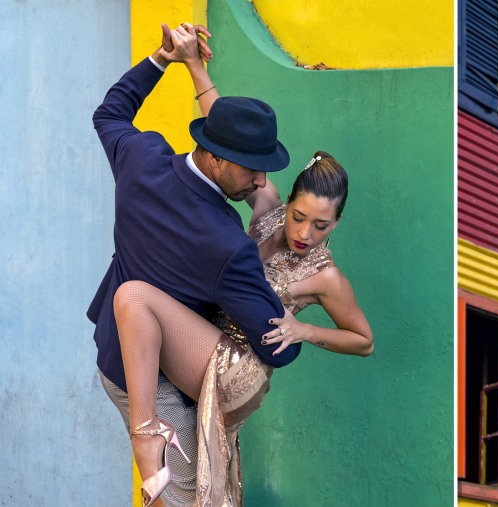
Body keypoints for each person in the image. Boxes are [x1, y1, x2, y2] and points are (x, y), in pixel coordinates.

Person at [109, 26, 373, 507]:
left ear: (336, 225)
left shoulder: (326, 276)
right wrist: (192, 64)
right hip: (202, 346)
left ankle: (146, 434)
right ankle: (152, 439)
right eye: (298, 217)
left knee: (133, 297)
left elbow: (363, 340)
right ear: (281, 198)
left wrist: (303, 332)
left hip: (245, 366)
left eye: (321, 226)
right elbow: (228, 136)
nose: (303, 234)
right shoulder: (262, 201)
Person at [91, 22, 298, 507]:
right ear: (218, 159)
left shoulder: (141, 158)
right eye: (253, 168)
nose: (262, 180)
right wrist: (292, 301)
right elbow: (277, 348)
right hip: (164, 391)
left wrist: (166, 59)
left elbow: (110, 112)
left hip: (114, 360)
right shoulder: (227, 243)